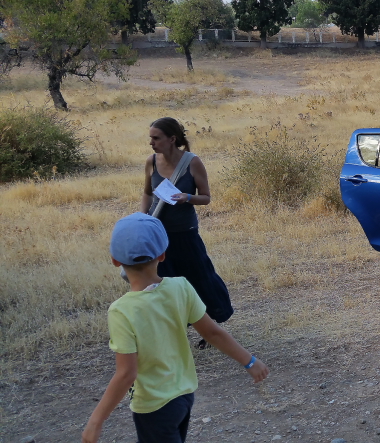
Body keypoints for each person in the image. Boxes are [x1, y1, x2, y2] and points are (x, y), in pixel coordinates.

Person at [83, 213, 268, 443]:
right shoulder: (181, 287)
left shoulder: (121, 311)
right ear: (162, 254)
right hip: (184, 396)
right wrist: (250, 361)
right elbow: (213, 332)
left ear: (114, 260)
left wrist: (96, 421)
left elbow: (126, 373)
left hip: (154, 407)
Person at [142, 117, 233, 327]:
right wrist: (143, 219)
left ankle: (211, 326)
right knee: (164, 283)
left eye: (156, 138)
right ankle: (177, 327)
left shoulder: (192, 162)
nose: (151, 142)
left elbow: (206, 197)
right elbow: (147, 194)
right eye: (151, 138)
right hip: (159, 234)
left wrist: (188, 197)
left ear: (172, 139)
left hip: (185, 233)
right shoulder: (151, 161)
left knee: (200, 279)